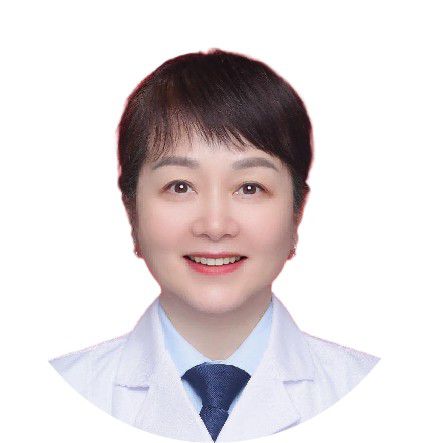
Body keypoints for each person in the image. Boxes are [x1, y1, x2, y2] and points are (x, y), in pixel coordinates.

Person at [49, 49, 380, 442]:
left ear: (297, 213)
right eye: (180, 186)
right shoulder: (57, 394)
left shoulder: (374, 392)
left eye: (250, 188)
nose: (215, 226)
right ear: (131, 211)